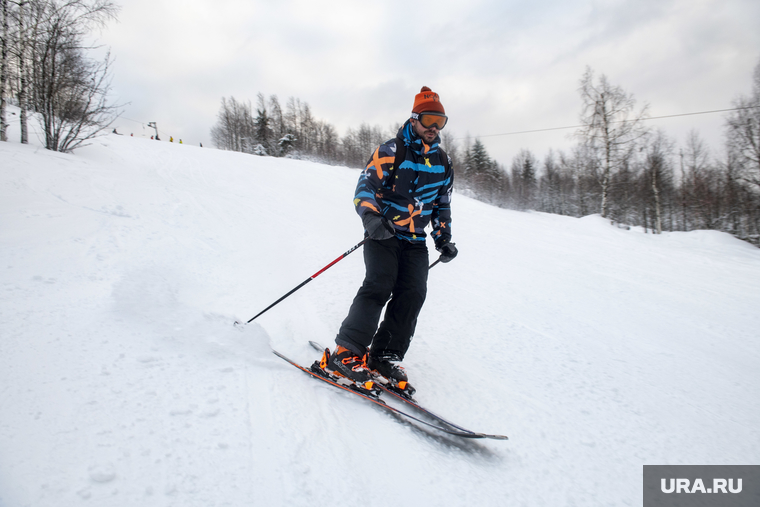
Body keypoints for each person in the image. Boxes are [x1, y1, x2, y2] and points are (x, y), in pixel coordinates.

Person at [324, 86, 458, 390]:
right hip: (383, 232)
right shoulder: (392, 150)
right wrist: (371, 218)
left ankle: (384, 355)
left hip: (414, 241)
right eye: (428, 119)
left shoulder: (443, 163)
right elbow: (365, 186)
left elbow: (441, 204)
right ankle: (346, 353)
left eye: (440, 121)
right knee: (378, 285)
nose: (434, 127)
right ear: (414, 119)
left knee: (413, 293)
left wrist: (443, 239)